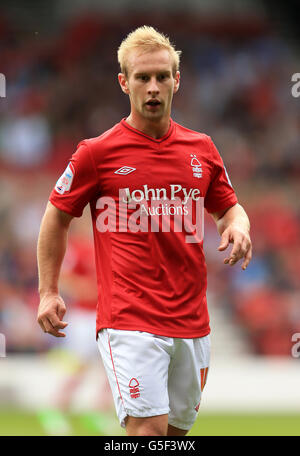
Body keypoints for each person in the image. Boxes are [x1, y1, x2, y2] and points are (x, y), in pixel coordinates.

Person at [37, 26, 252, 437]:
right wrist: (48, 291)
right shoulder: (96, 153)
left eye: (161, 77)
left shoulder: (201, 148)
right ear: (124, 82)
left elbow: (229, 208)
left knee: (174, 434)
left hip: (192, 321)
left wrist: (239, 226)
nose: (153, 87)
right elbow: (56, 216)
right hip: (129, 318)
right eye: (142, 77)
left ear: (176, 80)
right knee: (147, 430)